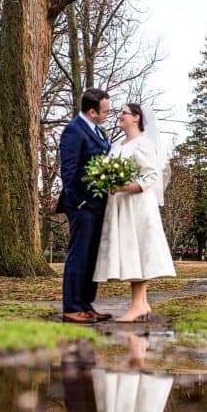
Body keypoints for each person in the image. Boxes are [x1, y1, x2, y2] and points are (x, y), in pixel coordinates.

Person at [93, 103, 177, 322]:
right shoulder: (117, 144)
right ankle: (142, 304)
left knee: (137, 251)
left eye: (124, 113)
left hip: (138, 206)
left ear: (137, 118)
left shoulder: (144, 144)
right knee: (130, 252)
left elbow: (151, 177)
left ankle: (137, 305)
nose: (119, 115)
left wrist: (122, 187)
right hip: (122, 207)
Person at [57, 88, 114, 325]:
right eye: (105, 111)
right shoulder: (74, 131)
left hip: (99, 204)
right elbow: (68, 171)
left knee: (92, 257)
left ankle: (86, 305)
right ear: (92, 112)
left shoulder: (98, 132)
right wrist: (78, 201)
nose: (108, 114)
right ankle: (71, 307)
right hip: (81, 205)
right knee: (78, 256)